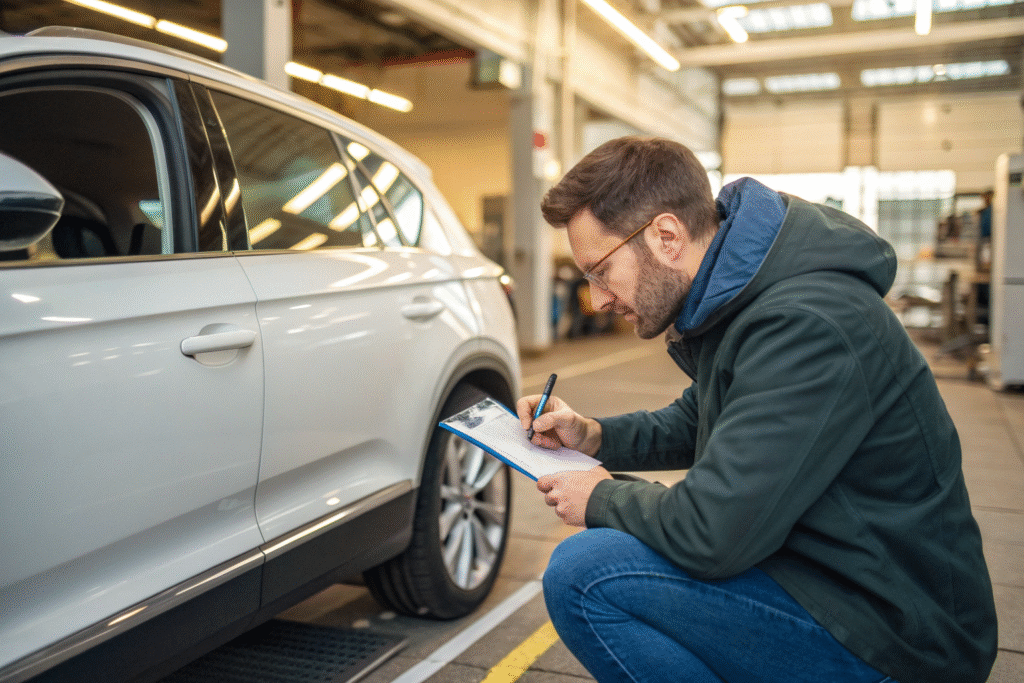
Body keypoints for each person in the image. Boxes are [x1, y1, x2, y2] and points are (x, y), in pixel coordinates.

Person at [516, 136, 997, 683]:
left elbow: (712, 532)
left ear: (666, 236)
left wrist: (598, 494)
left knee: (586, 574)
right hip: (824, 577)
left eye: (600, 271)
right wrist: (591, 436)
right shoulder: (746, 300)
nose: (597, 298)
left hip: (895, 633)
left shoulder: (807, 324)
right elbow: (700, 419)